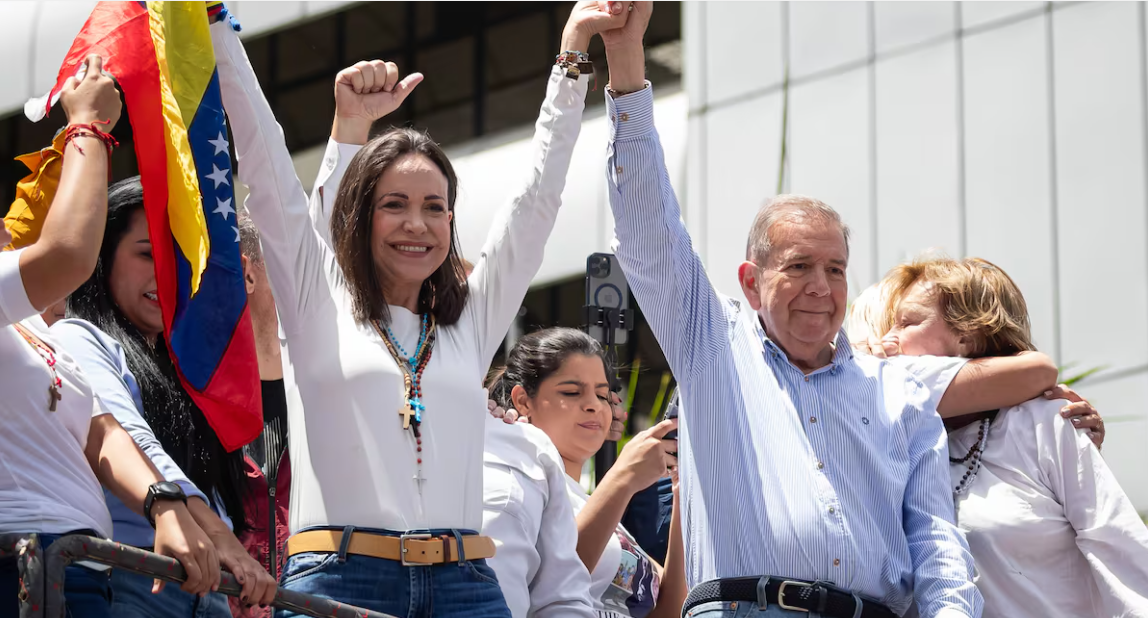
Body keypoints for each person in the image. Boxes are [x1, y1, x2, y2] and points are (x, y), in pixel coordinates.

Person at [210, 3, 626, 614]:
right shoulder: (314, 302)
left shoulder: (469, 323)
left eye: (435, 206)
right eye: (394, 204)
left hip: (467, 584)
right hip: (341, 583)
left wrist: (572, 58)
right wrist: (215, 23)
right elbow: (266, 161)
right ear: (359, 219)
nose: (417, 224)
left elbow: (537, 201)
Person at [600, 4, 980, 617]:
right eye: (798, 267)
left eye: (835, 270)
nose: (820, 288)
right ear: (751, 283)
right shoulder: (711, 345)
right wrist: (625, 62)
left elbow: (936, 541)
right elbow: (650, 231)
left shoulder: (899, 394)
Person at [1, 54, 221, 616]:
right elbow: (68, 255)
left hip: (81, 571)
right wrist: (89, 127)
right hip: (20, 568)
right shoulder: (62, 317)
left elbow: (99, 433)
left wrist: (164, 507)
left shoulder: (32, 333)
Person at [855, 256, 1148, 617]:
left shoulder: (1044, 423)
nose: (889, 342)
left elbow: (1117, 545)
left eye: (908, 323)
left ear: (966, 337)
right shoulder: (897, 446)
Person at [55, 177, 278, 617]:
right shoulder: (75, 338)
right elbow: (129, 437)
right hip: (130, 579)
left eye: (180, 259)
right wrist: (220, 538)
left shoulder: (185, 369)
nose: (165, 273)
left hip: (206, 592)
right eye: (146, 254)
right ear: (101, 259)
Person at [487, 327, 686, 618]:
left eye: (603, 395)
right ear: (523, 401)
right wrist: (623, 478)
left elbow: (667, 610)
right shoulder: (519, 484)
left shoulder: (605, 514)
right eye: (571, 392)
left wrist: (682, 490)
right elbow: (552, 585)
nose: (593, 404)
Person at [230, 212, 292, 618]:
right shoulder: (203, 389)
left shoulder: (325, 387)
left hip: (308, 601)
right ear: (247, 274)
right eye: (290, 261)